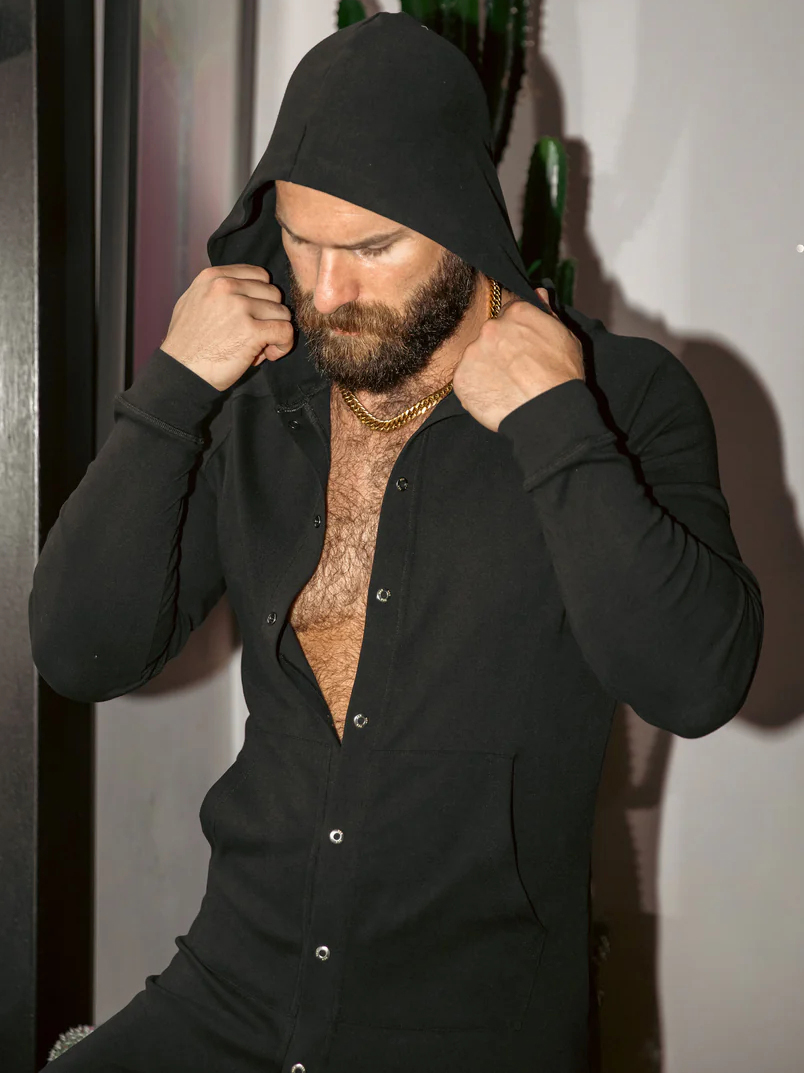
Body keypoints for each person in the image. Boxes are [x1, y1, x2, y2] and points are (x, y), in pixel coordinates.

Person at [30, 11, 763, 1073]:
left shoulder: (621, 397)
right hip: (231, 989)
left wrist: (556, 428)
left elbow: (698, 681)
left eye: (372, 249)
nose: (327, 292)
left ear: (461, 220)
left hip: (472, 1032)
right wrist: (172, 392)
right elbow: (79, 650)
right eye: (300, 242)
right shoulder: (260, 394)